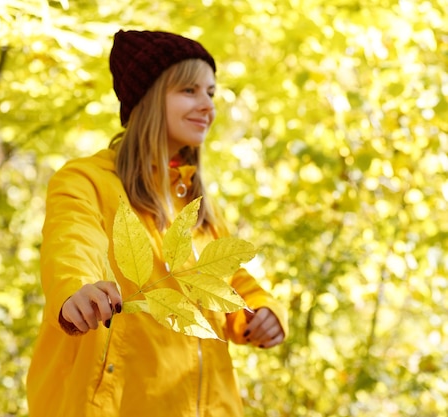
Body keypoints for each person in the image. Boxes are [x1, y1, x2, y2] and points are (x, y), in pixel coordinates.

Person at [26, 29, 288, 417]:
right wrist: (76, 291)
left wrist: (263, 311)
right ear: (147, 99)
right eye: (189, 91)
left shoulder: (197, 206)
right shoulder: (87, 181)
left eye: (211, 93)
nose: (207, 106)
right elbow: (72, 243)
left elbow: (234, 287)